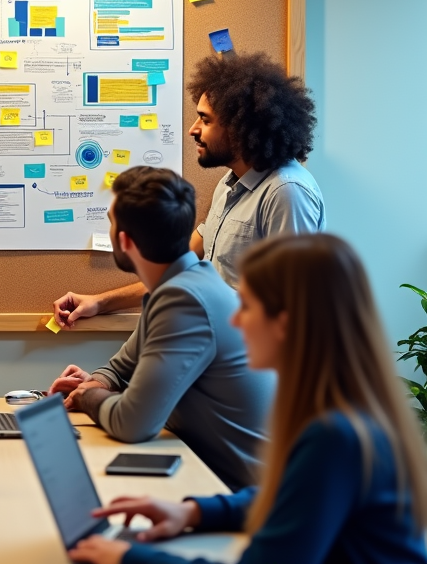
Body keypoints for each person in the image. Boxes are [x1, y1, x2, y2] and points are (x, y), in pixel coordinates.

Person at [70, 234, 427, 564]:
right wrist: (194, 512)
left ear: (284, 324)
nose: (236, 321)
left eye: (248, 307)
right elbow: (295, 497)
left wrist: (127, 557)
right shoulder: (347, 411)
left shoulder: (334, 435)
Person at [53, 52, 325, 327]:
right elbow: (178, 269)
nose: (193, 130)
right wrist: (100, 302)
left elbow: (290, 305)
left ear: (241, 128)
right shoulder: (229, 185)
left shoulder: (287, 192)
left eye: (205, 120)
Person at [48, 167, 274, 492]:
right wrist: (97, 384)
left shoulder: (185, 301)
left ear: (125, 241)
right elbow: (119, 366)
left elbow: (133, 423)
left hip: (237, 499)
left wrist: (88, 397)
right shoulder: (182, 285)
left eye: (111, 222)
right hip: (207, 474)